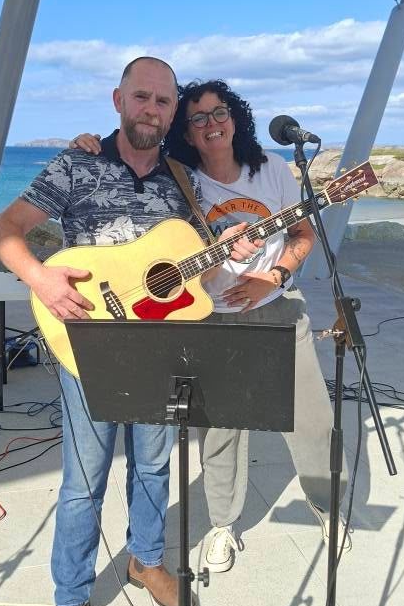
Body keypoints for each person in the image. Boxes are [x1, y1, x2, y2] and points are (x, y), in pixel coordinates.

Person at [0, 58, 259, 606]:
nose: (151, 110)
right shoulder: (77, 163)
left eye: (163, 102)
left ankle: (146, 559)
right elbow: (6, 230)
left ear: (173, 111)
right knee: (83, 480)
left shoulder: (181, 179)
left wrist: (227, 253)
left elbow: (191, 270)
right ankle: (70, 599)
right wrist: (41, 279)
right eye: (142, 97)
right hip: (86, 342)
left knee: (155, 464)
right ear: (118, 100)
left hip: (158, 346)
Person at [72, 79, 346, 575]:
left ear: (235, 117)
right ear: (186, 132)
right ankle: (224, 524)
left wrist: (274, 277)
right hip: (209, 316)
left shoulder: (272, 170)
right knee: (220, 430)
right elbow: (130, 165)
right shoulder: (180, 178)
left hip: (277, 307)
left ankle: (327, 507)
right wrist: (87, 143)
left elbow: (303, 234)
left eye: (219, 112)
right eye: (197, 118)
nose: (211, 124)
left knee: (311, 419)